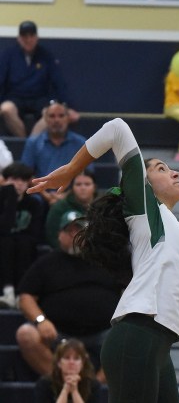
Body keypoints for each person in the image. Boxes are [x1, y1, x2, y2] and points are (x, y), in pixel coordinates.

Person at [27, 117, 179, 402]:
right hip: (136, 337)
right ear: (144, 184)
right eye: (162, 168)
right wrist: (72, 169)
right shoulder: (146, 209)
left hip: (160, 349)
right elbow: (117, 128)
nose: (174, 172)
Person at [15, 211, 121, 381]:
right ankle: (60, 382)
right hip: (58, 334)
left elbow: (129, 292)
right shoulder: (47, 263)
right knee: (26, 334)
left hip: (104, 333)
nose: (75, 235)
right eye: (69, 231)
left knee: (133, 337)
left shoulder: (108, 261)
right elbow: (26, 297)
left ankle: (95, 387)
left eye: (80, 231)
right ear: (59, 235)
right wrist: (41, 321)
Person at [0, 21, 79, 137]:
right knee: (6, 109)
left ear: (37, 38)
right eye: (24, 36)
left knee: (52, 112)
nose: (28, 40)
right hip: (15, 98)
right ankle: (24, 144)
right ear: (19, 38)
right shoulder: (8, 55)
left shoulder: (46, 56)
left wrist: (69, 107)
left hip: (40, 99)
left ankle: (31, 144)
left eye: (31, 36)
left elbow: (59, 82)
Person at [21, 101, 87, 206]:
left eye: (61, 116)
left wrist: (65, 195)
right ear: (46, 119)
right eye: (52, 116)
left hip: (72, 196)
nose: (56, 120)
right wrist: (45, 194)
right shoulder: (33, 143)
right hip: (39, 196)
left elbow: (86, 173)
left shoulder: (81, 142)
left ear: (68, 118)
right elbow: (26, 173)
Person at [0, 162, 44, 308]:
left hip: (24, 245)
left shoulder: (34, 203)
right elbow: (4, 229)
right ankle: (8, 291)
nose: (18, 184)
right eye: (14, 179)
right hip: (4, 243)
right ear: (4, 181)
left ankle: (21, 293)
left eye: (23, 180)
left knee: (23, 244)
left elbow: (35, 234)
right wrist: (10, 198)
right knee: (6, 243)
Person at [34, 338, 102, 403]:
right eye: (67, 358)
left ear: (82, 364)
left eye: (76, 358)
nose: (71, 362)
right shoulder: (45, 384)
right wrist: (65, 390)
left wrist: (74, 391)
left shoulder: (92, 385)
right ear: (59, 363)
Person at [45, 170, 97, 249]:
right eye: (78, 184)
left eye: (87, 184)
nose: (83, 188)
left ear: (94, 187)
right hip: (66, 253)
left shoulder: (103, 206)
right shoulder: (59, 207)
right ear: (72, 188)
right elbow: (52, 234)